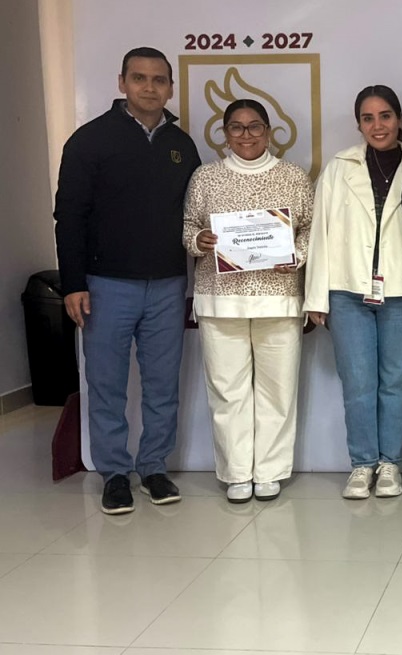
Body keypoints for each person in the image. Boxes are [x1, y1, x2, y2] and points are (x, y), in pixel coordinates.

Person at [54, 47, 200, 515]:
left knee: (162, 385)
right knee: (106, 384)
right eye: (139, 78)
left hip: (167, 284)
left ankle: (153, 467)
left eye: (159, 79)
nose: (149, 87)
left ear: (171, 87)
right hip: (105, 285)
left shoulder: (182, 145)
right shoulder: (90, 141)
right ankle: (114, 474)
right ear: (122, 83)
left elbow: (195, 215)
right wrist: (73, 283)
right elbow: (68, 217)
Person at [182, 99, 312, 503]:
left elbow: (311, 229)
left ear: (268, 132)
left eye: (255, 126)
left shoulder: (293, 177)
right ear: (225, 134)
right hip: (220, 301)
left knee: (278, 390)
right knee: (227, 391)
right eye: (236, 127)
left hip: (278, 299)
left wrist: (297, 255)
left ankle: (270, 471)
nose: (246, 135)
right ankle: (237, 472)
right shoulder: (205, 178)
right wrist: (199, 240)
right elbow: (188, 227)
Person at [304, 85, 402, 500]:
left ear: (399, 119)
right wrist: (316, 297)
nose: (378, 126)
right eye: (368, 118)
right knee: (357, 383)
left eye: (385, 116)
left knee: (395, 382)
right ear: (358, 124)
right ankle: (362, 464)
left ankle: (389, 463)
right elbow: (320, 232)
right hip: (347, 290)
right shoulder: (340, 167)